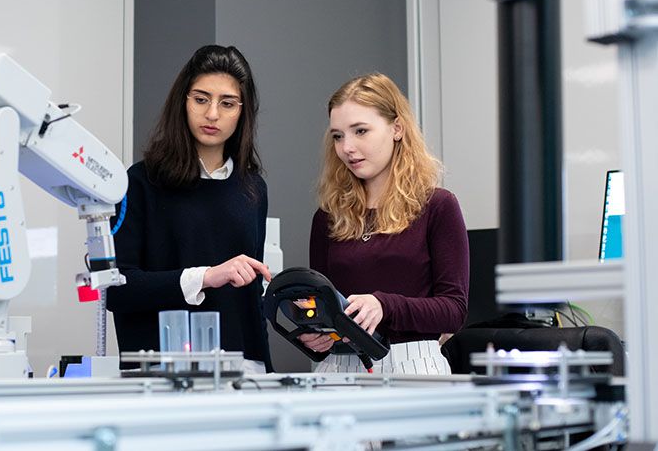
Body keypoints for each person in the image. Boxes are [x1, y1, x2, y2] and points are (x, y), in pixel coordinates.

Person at [106, 45, 273, 373]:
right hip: (162, 377)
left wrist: (267, 374)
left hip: (244, 377)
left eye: (227, 103)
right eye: (201, 99)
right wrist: (205, 277)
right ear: (182, 102)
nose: (212, 114)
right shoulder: (139, 182)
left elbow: (251, 298)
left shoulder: (253, 189)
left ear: (242, 112)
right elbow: (117, 289)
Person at [301, 73, 468, 374]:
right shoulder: (327, 217)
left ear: (397, 128)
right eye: (338, 136)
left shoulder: (437, 207)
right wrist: (315, 333)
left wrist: (384, 306)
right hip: (337, 368)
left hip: (412, 367)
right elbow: (324, 306)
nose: (347, 147)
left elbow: (453, 311)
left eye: (360, 131)